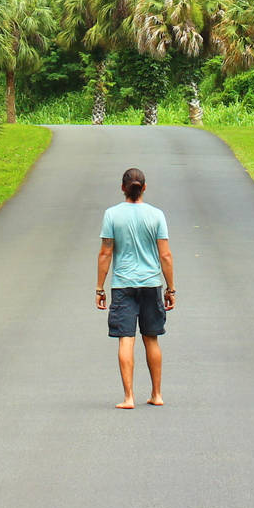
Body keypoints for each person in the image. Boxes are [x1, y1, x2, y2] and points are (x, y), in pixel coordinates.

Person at [95, 166, 176, 409]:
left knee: (126, 339)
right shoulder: (156, 215)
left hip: (123, 285)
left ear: (123, 188)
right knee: (151, 339)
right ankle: (157, 394)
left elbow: (105, 253)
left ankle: (129, 397)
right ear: (144, 188)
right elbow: (166, 256)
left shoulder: (112, 215)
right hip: (151, 284)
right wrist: (171, 288)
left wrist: (99, 287)